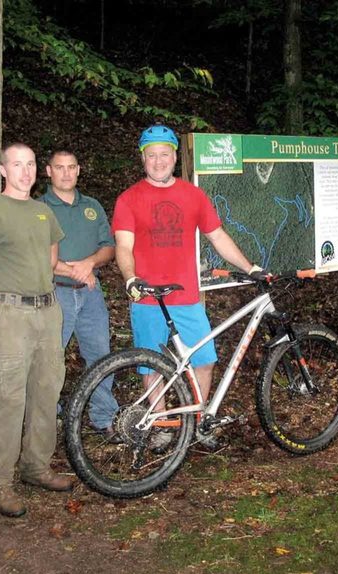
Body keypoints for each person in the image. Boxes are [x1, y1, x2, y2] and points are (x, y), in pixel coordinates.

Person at [112, 124, 260, 449]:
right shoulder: (129, 199)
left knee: (204, 361)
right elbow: (123, 246)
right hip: (148, 298)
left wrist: (249, 267)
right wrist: (131, 278)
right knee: (152, 367)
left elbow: (218, 236)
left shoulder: (192, 195)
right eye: (151, 155)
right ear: (143, 160)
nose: (158, 160)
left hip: (187, 297)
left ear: (175, 157)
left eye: (164, 154)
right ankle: (162, 426)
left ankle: (197, 422)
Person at [0, 142, 73, 518]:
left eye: (31, 164)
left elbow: (51, 258)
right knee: (9, 398)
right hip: (11, 316)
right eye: (17, 165)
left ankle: (36, 467)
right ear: (3, 170)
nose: (25, 171)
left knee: (46, 390)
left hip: (48, 311)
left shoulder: (42, 212)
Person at [38, 149, 118, 434]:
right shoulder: (39, 207)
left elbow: (108, 247)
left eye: (71, 167)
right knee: (49, 357)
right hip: (54, 292)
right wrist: (71, 270)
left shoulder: (92, 206)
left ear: (79, 169)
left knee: (100, 355)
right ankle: (49, 419)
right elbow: (33, 253)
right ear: (49, 172)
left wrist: (89, 263)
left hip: (91, 293)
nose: (66, 173)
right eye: (60, 168)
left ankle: (104, 417)